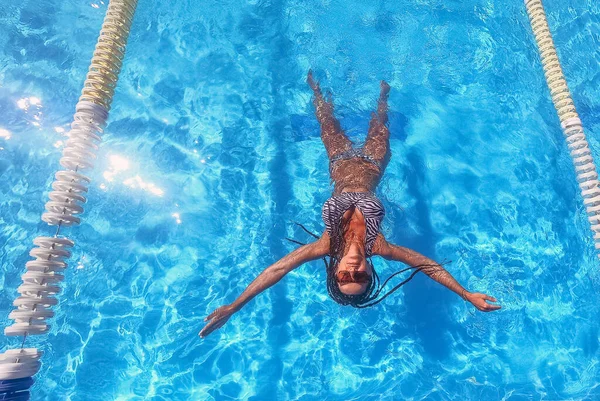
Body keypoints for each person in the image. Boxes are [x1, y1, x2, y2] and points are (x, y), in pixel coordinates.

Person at [199, 71, 501, 338]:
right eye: (360, 277)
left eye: (344, 277)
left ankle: (315, 85)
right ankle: (384, 90)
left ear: (335, 273)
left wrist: (234, 306)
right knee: (379, 119)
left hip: (339, 162)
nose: (352, 271)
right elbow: (428, 266)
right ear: (370, 271)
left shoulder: (326, 245)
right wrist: (465, 294)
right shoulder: (380, 246)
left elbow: (276, 270)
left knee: (326, 119)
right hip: (373, 164)